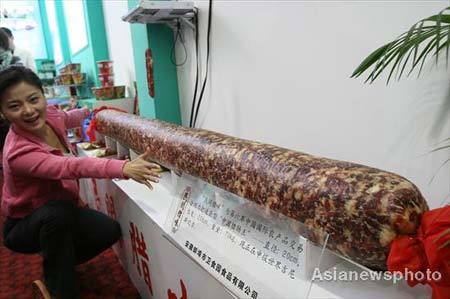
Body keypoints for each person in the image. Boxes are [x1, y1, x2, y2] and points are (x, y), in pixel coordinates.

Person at [0, 66, 161, 299]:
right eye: (14, 106)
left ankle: (57, 264)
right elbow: (70, 167)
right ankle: (60, 291)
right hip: (25, 222)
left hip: (59, 208)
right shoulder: (18, 153)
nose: (28, 111)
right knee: (56, 214)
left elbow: (69, 117)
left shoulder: (51, 115)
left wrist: (94, 111)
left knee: (108, 231)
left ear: (43, 95)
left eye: (33, 99)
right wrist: (122, 167)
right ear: (3, 112)